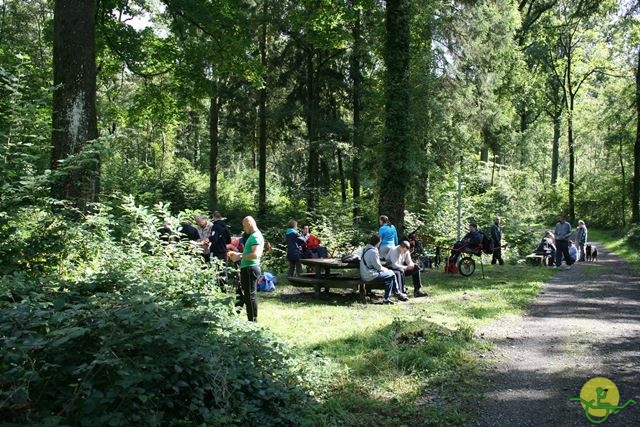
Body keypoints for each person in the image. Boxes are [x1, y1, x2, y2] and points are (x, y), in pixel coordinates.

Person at [229, 216, 264, 322]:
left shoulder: (255, 236)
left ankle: (253, 321)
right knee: (240, 293)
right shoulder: (253, 236)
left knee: (249, 296)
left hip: (250, 269)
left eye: (244, 226)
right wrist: (238, 255)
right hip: (247, 268)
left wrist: (239, 256)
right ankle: (233, 317)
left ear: (249, 223)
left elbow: (256, 254)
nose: (244, 229)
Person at [360, 234, 405, 304]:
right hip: (369, 275)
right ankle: (390, 296)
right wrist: (387, 269)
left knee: (390, 275)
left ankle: (395, 293)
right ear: (378, 242)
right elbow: (378, 267)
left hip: (365, 273)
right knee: (391, 274)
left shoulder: (366, 249)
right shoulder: (373, 252)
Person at [209, 211, 232, 291]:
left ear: (213, 217)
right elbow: (229, 240)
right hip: (223, 251)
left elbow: (213, 238)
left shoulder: (215, 226)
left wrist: (209, 238)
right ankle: (224, 288)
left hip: (215, 251)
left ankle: (216, 288)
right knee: (223, 270)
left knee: (214, 270)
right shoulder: (225, 227)